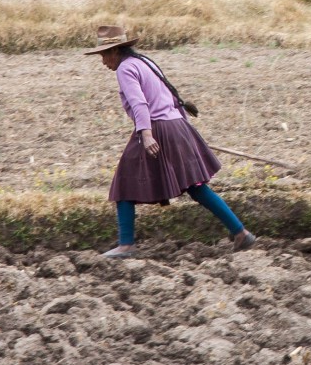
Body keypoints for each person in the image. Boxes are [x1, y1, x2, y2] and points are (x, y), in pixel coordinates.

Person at [86, 25, 255, 258]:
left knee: (123, 182)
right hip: (177, 125)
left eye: (104, 55)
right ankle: (240, 233)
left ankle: (126, 245)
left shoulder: (125, 68)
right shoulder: (145, 62)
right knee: (195, 186)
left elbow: (140, 103)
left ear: (115, 50)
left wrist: (146, 134)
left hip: (156, 128)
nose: (103, 61)